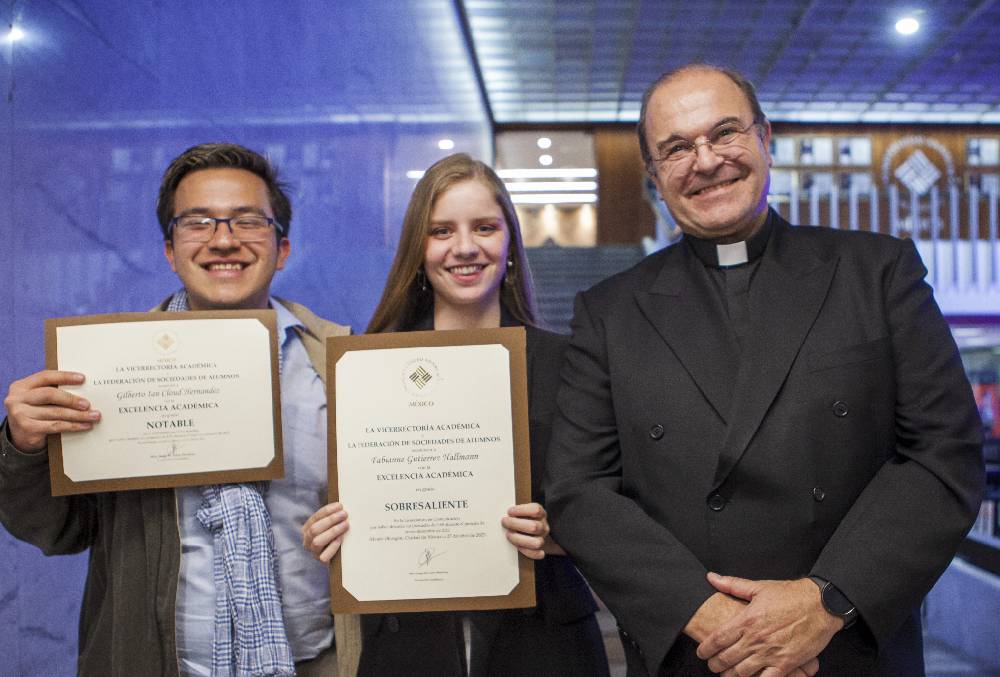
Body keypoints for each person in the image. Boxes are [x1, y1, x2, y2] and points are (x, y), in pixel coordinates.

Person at [544, 64, 985, 677]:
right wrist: (709, 616)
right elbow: (578, 489)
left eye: (724, 133)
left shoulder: (876, 273)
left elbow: (943, 452)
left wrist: (826, 600)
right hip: (700, 653)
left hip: (846, 649)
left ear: (763, 137)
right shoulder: (610, 312)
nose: (705, 160)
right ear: (654, 175)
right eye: (676, 148)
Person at [0, 143, 359, 677]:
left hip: (316, 662)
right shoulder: (107, 369)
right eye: (198, 223)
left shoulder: (338, 365)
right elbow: (60, 530)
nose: (223, 240)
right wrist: (23, 446)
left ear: (282, 248)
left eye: (247, 221)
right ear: (170, 250)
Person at [302, 153, 610, 677]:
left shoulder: (567, 364)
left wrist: (558, 535)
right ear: (417, 251)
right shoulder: (368, 367)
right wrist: (331, 534)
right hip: (406, 649)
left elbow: (612, 508)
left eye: (484, 227)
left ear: (510, 241)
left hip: (545, 647)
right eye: (441, 230)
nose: (465, 247)